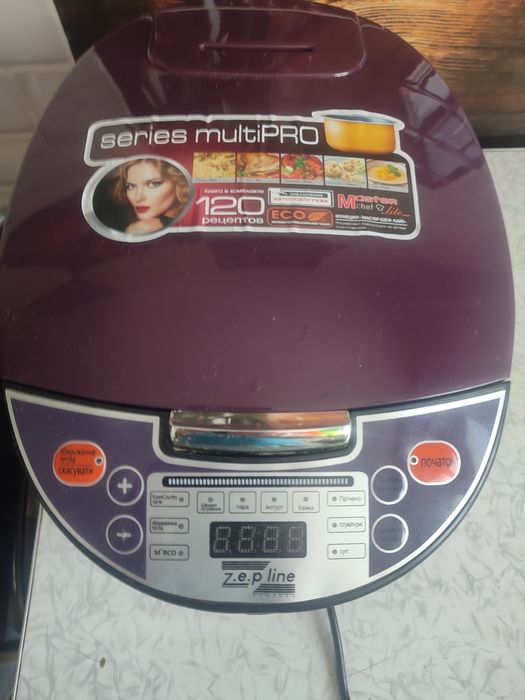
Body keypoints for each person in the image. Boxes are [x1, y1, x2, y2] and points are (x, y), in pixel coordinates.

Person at [112, 158, 190, 234]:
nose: (138, 198)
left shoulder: (141, 229)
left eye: (154, 184)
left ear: (179, 184)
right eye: (130, 186)